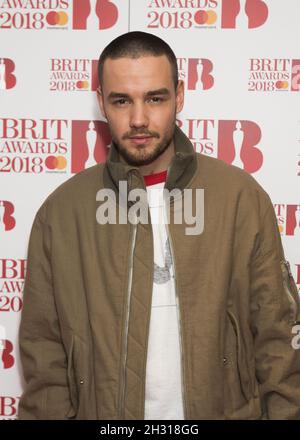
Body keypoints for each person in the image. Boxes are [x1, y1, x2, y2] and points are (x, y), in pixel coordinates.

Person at [18, 31, 300, 420]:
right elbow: (44, 360)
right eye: (121, 101)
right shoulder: (62, 213)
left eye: (155, 98)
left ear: (179, 96)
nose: (138, 119)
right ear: (101, 102)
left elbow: (278, 342)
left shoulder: (240, 199)